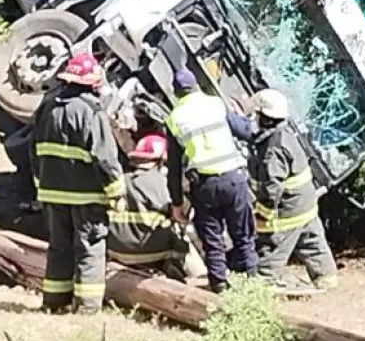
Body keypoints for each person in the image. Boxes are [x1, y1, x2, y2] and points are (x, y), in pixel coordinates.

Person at [31, 52, 126, 315]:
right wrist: (116, 190)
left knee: (59, 248)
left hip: (53, 193)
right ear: (92, 82)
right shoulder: (91, 111)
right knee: (90, 249)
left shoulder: (46, 106)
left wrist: (41, 182)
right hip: (87, 196)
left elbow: (33, 150)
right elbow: (104, 157)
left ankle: (54, 301)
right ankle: (87, 307)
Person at [164, 68, 257, 294]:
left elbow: (174, 169)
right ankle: (253, 283)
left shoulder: (174, 119)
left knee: (212, 239)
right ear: (196, 86)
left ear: (176, 93)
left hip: (205, 187)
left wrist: (177, 203)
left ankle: (219, 284)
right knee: (243, 235)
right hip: (234, 180)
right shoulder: (215, 104)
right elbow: (245, 131)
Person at [247, 88, 338, 290]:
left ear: (267, 118)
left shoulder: (273, 150)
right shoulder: (287, 134)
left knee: (272, 247)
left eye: (257, 115)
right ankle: (327, 281)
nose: (254, 119)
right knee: (313, 244)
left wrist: (262, 215)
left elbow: (272, 187)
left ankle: (263, 285)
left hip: (289, 211)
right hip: (307, 204)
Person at [107, 133, 195, 281]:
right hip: (149, 252)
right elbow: (181, 213)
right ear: (162, 160)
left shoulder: (120, 180)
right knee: (183, 236)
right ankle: (197, 277)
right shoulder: (159, 182)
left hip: (116, 251)